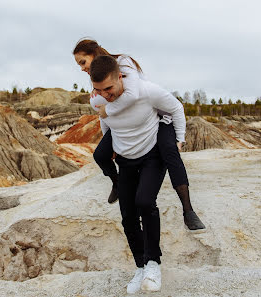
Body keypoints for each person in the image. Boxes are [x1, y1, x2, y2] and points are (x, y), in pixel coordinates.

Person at [73, 39, 205, 232]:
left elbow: (132, 95)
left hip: (157, 116)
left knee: (170, 151)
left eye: (82, 62)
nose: (82, 68)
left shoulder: (123, 62)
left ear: (93, 53)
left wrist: (180, 138)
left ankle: (188, 211)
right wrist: (110, 139)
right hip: (125, 122)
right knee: (101, 154)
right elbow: (103, 109)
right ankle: (117, 183)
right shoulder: (98, 78)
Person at [89, 55, 187, 293]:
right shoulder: (102, 100)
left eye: (109, 88)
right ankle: (140, 266)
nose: (106, 95)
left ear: (120, 77)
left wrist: (180, 139)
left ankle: (153, 264)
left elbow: (176, 107)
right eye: (99, 90)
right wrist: (108, 145)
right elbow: (107, 124)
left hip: (152, 155)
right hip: (126, 161)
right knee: (127, 217)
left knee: (145, 201)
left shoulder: (146, 91)